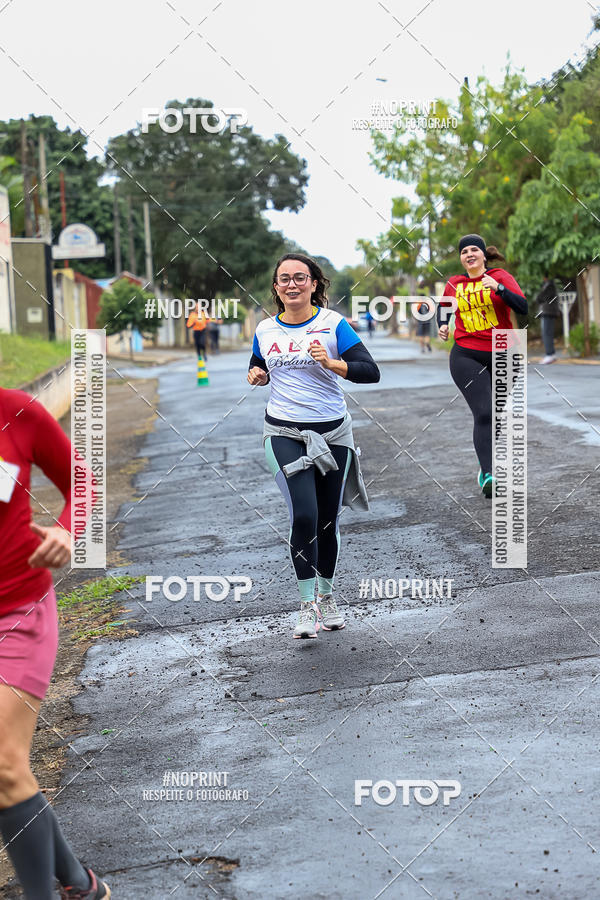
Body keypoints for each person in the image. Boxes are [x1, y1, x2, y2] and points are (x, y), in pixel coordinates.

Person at [0, 388, 110, 899]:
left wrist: (67, 531)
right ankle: (81, 884)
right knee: (10, 773)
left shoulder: (17, 412)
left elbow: (84, 483)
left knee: (2, 763)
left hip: (16, 609)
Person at [247, 253, 380, 639]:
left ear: (314, 284)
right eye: (284, 279)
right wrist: (255, 373)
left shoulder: (333, 324)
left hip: (334, 435)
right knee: (303, 515)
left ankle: (327, 595)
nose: (292, 284)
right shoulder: (265, 330)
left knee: (326, 519)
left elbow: (370, 371)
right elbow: (259, 366)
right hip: (284, 433)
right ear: (276, 288)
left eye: (300, 278)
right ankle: (306, 606)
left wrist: (333, 364)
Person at [437, 234, 528, 498]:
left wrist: (499, 289)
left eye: (474, 249)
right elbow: (443, 310)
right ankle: (489, 474)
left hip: (505, 351)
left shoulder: (500, 276)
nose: (469, 254)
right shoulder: (454, 284)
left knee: (495, 413)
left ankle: (483, 463)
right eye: (464, 251)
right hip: (467, 353)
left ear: (483, 255)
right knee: (485, 412)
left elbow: (522, 306)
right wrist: (442, 325)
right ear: (461, 258)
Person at [535, 275, 559, 364]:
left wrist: (539, 297)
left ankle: (550, 355)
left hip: (548, 312)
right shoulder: (547, 285)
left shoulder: (550, 286)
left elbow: (540, 298)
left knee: (546, 333)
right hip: (547, 312)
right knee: (547, 333)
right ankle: (551, 354)